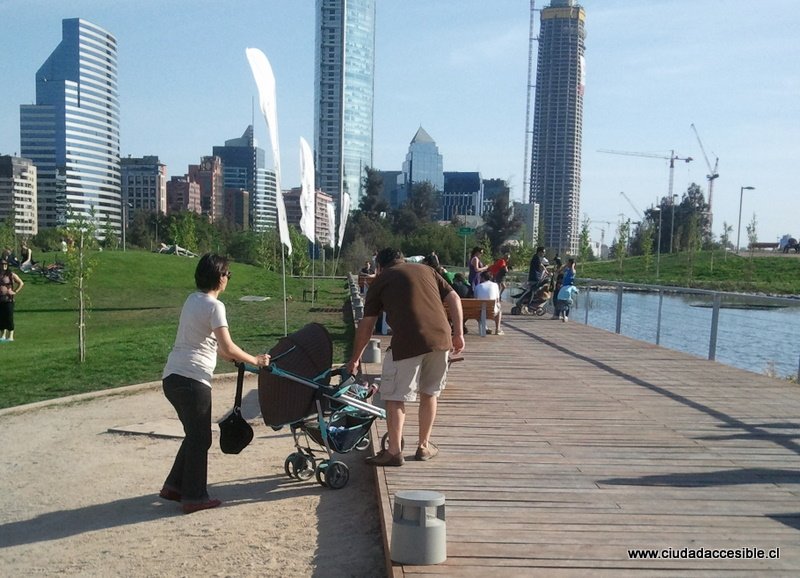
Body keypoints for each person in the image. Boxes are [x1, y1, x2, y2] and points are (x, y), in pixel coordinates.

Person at [160, 253, 271, 514]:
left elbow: (215, 347)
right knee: (201, 438)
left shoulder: (192, 300)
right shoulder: (214, 306)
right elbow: (228, 346)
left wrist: (234, 357)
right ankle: (194, 497)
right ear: (219, 277)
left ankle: (174, 486)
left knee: (195, 435)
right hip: (192, 380)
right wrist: (256, 360)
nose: (228, 278)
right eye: (227, 274)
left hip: (173, 377)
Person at [347, 248, 465, 467]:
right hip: (441, 340)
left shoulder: (381, 280)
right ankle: (423, 446)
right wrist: (458, 333)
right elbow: (455, 297)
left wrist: (355, 359)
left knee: (394, 397)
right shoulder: (428, 270)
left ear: (380, 266)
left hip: (407, 342)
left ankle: (393, 452)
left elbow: (367, 324)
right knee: (430, 393)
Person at [0, 258, 24, 341]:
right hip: (0, 300)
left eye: (5, 264)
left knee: (9, 317)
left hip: (8, 300)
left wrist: (15, 291)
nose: (4, 266)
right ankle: (2, 335)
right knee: (1, 318)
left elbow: (21, 283)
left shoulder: (11, 274)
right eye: (2, 264)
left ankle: (10, 336)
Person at [473, 271, 503, 335]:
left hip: (480, 312)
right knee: (499, 310)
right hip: (492, 311)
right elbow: (497, 300)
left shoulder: (478, 286)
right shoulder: (495, 285)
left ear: (483, 278)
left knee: (478, 308)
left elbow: (475, 299)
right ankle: (498, 329)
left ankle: (485, 328)